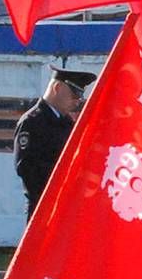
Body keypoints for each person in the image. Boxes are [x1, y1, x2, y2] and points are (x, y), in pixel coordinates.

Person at [13, 64, 94, 217]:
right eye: (74, 94)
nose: (78, 101)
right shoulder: (32, 121)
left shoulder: (67, 123)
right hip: (43, 207)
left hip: (66, 207)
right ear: (57, 87)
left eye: (80, 96)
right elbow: (26, 168)